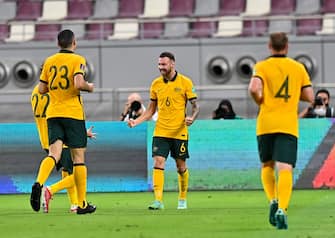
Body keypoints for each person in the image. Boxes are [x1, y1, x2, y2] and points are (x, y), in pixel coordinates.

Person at [248, 32, 314, 229]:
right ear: (287, 46)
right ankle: (282, 209)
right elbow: (310, 96)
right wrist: (295, 95)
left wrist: (259, 99)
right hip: (288, 124)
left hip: (266, 123)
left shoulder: (261, 66)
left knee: (267, 165)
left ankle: (272, 200)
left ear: (270, 46)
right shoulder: (298, 67)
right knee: (285, 168)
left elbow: (253, 88)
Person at [30, 29, 96, 215]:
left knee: (54, 154)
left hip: (53, 114)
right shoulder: (78, 60)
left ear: (58, 43)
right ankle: (82, 204)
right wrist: (89, 87)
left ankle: (39, 183)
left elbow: (42, 89)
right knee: (78, 159)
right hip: (72, 114)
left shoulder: (49, 61)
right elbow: (78, 83)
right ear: (74, 43)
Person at [128, 51, 199, 210]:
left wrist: (192, 117)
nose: (161, 67)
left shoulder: (185, 82)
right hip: (161, 131)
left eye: (164, 64)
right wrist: (136, 122)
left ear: (172, 63)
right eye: (159, 64)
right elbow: (151, 111)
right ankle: (158, 200)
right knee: (158, 162)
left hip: (179, 132)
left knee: (181, 167)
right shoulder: (156, 84)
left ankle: (182, 198)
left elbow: (196, 105)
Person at [31, 84, 96, 213]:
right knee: (76, 172)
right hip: (64, 138)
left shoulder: (35, 92)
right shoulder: (58, 90)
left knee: (66, 171)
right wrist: (81, 132)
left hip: (46, 138)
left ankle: (74, 204)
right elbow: (66, 113)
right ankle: (50, 190)